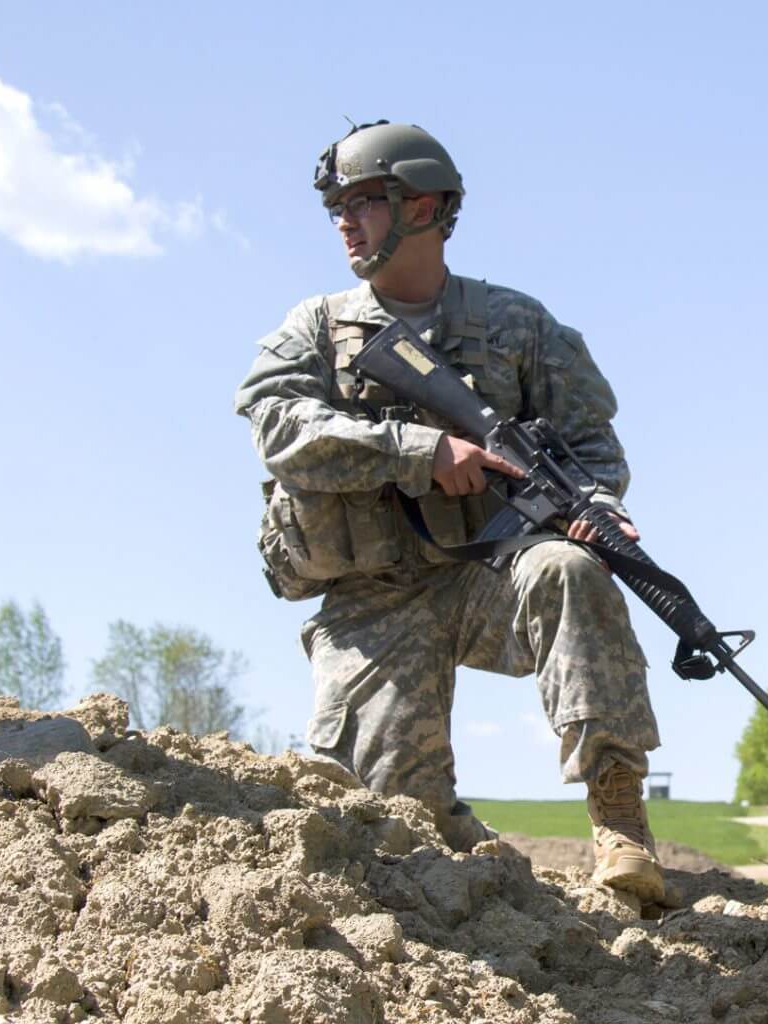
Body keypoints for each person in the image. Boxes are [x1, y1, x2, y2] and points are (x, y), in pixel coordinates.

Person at [234, 120, 664, 902]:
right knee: (390, 819)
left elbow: (593, 452)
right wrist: (418, 451)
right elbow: (277, 425)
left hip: (489, 578)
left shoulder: (518, 326)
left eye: (364, 201)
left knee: (569, 566)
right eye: (338, 205)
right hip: (374, 597)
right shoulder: (316, 328)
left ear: (424, 207)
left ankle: (619, 817)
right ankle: (487, 861)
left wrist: (595, 508)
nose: (344, 220)